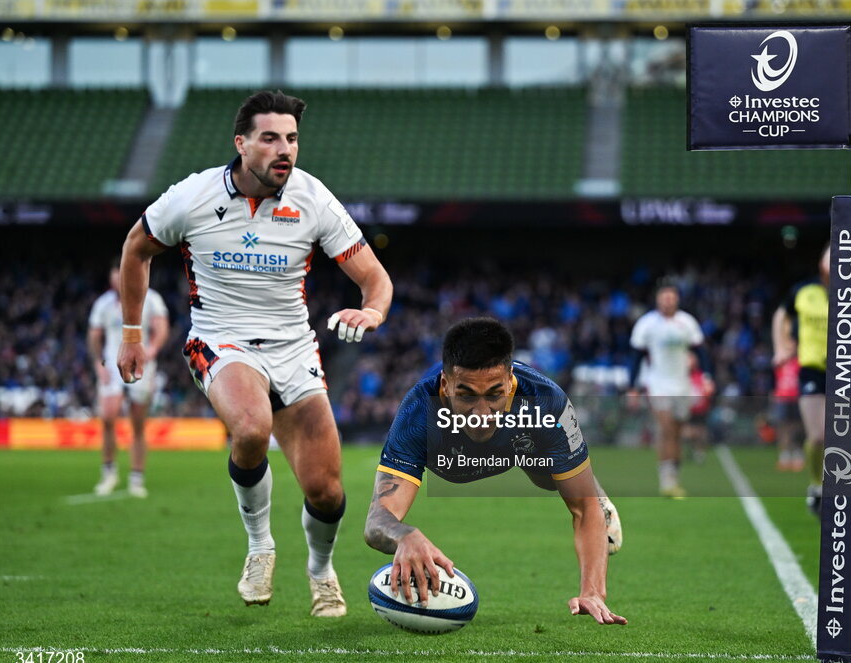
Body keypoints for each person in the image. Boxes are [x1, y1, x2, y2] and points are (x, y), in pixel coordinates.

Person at [116, 90, 393, 617]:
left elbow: (375, 280)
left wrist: (373, 311)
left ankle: (319, 569)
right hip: (220, 340)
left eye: (291, 138)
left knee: (327, 491)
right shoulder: (193, 197)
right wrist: (132, 334)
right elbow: (136, 248)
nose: (284, 148)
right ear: (241, 143)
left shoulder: (313, 199)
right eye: (270, 138)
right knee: (249, 428)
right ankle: (261, 545)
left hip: (293, 348)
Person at [364, 318, 626, 625]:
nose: (481, 413)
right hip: (450, 458)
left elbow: (583, 509)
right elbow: (376, 521)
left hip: (523, 448)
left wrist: (592, 592)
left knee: (552, 478)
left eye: (494, 394)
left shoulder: (546, 403)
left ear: (510, 378)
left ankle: (594, 488)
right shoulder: (418, 412)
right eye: (466, 395)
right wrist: (404, 535)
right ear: (445, 384)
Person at [88, 256, 169, 498]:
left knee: (137, 423)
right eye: (114, 272)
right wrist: (98, 364)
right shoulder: (103, 304)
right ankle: (109, 473)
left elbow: (161, 327)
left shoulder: (151, 298)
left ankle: (136, 478)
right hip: (111, 367)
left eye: (120, 272)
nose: (117, 277)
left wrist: (152, 349)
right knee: (108, 418)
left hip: (141, 367)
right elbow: (94, 336)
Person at [628, 281, 707, 498]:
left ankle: (674, 476)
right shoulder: (647, 324)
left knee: (677, 431)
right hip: (657, 384)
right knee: (666, 428)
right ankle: (667, 480)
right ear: (658, 299)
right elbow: (635, 357)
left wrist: (706, 377)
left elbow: (701, 352)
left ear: (677, 299)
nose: (668, 301)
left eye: (671, 297)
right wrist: (632, 387)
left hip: (682, 384)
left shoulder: (687, 322)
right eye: (664, 297)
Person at [772, 245, 829, 515]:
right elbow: (781, 315)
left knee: (842, 437)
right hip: (812, 369)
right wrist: (781, 346)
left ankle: (839, 488)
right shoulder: (805, 291)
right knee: (818, 435)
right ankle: (816, 484)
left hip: (848, 372)